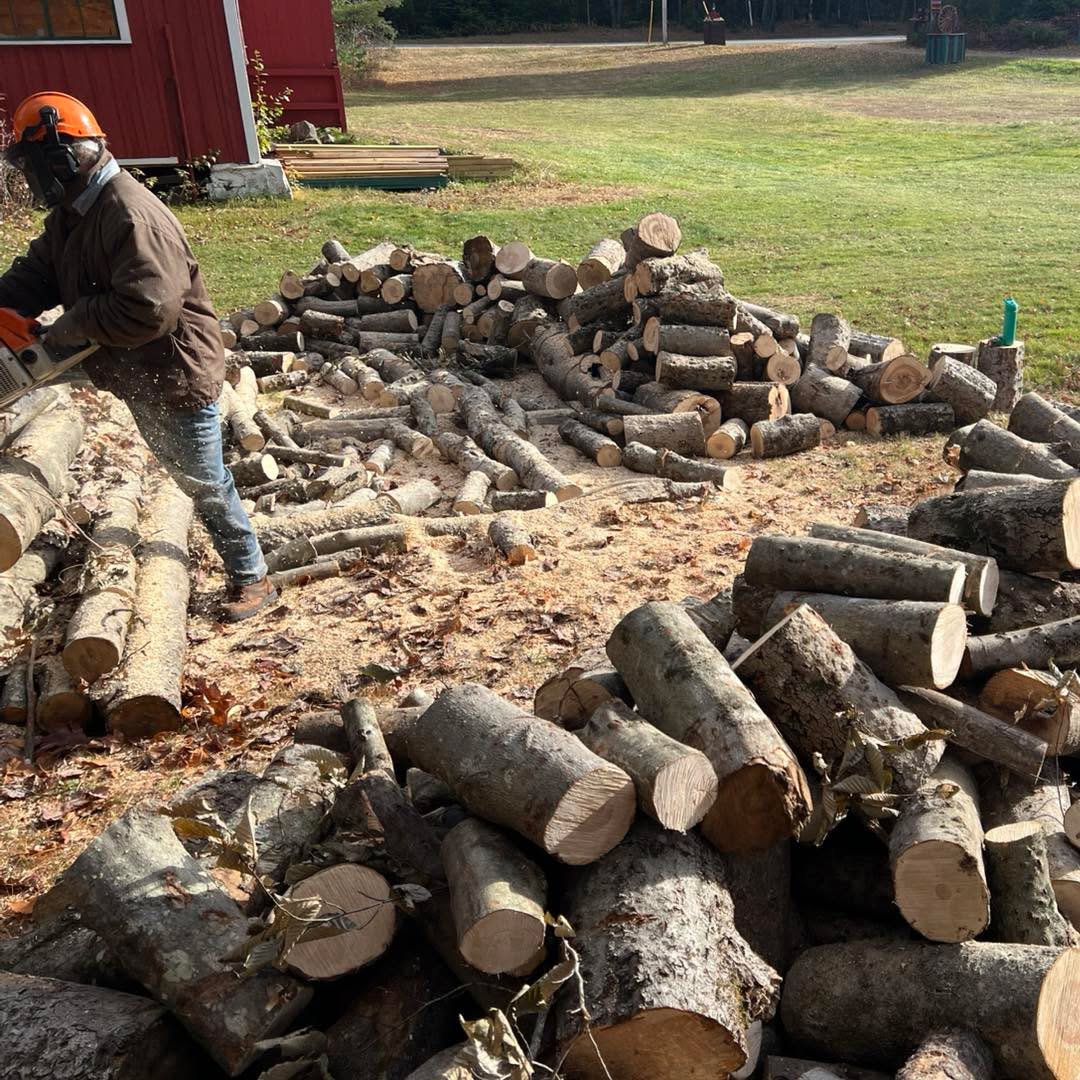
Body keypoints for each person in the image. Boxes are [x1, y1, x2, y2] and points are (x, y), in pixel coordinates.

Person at [0, 91, 277, 622]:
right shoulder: (73, 212)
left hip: (171, 368)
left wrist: (66, 328)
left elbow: (148, 308)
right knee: (20, 379)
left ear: (63, 158)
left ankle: (252, 574)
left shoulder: (130, 215)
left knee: (203, 481)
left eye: (35, 165)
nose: (32, 178)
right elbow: (36, 274)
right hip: (125, 358)